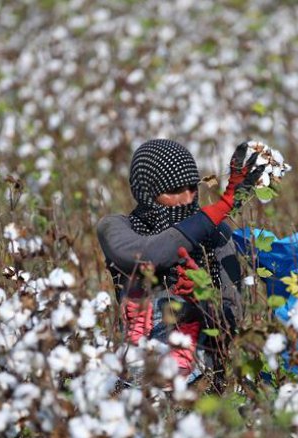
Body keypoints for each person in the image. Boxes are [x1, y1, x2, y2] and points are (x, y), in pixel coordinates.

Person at [96, 139, 264, 383]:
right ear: (147, 193)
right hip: (135, 375)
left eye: (192, 188)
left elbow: (233, 320)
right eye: (174, 191)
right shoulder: (115, 227)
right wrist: (224, 205)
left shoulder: (217, 235)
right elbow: (150, 254)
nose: (187, 199)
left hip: (201, 375)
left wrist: (203, 303)